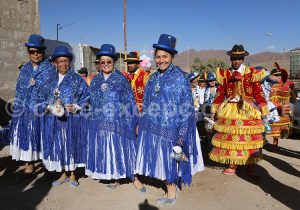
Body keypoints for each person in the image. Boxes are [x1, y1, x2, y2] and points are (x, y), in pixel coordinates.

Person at [135, 34, 203, 206]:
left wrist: (181, 134)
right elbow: (147, 104)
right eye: (158, 57)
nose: (161, 60)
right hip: (154, 128)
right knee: (161, 161)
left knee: (172, 160)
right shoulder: (152, 78)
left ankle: (172, 193)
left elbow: (187, 108)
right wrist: (142, 124)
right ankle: (170, 187)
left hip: (173, 129)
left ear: (172, 57)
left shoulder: (180, 78)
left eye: (165, 56)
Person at [209, 44, 269, 176]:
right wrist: (214, 111)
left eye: (239, 58)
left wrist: (263, 110)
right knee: (232, 139)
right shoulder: (225, 74)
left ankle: (251, 166)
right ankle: (232, 164)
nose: (236, 61)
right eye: (233, 58)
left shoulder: (251, 73)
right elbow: (220, 94)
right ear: (230, 59)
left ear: (243, 59)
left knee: (249, 140)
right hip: (230, 108)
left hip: (248, 109)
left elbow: (258, 93)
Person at [85, 44, 138, 188]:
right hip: (99, 122)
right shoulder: (95, 80)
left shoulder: (121, 80)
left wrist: (133, 122)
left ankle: (118, 178)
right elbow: (89, 100)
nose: (106, 64)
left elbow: (129, 102)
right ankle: (109, 175)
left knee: (116, 150)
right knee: (105, 150)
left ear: (114, 62)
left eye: (109, 61)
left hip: (117, 123)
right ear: (99, 63)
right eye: (103, 62)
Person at [40, 46, 89, 187]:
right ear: (55, 63)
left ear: (70, 62)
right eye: (60, 61)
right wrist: (50, 106)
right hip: (52, 121)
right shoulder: (49, 80)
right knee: (58, 146)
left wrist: (76, 107)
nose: (63, 63)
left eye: (66, 60)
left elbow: (86, 97)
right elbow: (40, 97)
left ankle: (73, 175)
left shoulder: (77, 79)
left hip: (70, 121)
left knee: (70, 145)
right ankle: (63, 174)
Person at [9, 34, 56, 175]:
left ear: (43, 52)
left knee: (43, 138)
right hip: (25, 110)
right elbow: (19, 89)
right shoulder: (24, 69)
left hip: (42, 111)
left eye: (39, 51)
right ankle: (29, 164)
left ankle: (47, 167)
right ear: (28, 53)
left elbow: (54, 90)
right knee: (28, 137)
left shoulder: (50, 69)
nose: (36, 54)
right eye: (32, 51)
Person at [267, 62, 293, 149]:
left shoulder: (285, 87)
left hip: (281, 110)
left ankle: (275, 143)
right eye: (277, 76)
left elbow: (288, 100)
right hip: (270, 109)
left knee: (278, 127)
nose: (279, 77)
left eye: (280, 75)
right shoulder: (268, 86)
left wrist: (285, 109)